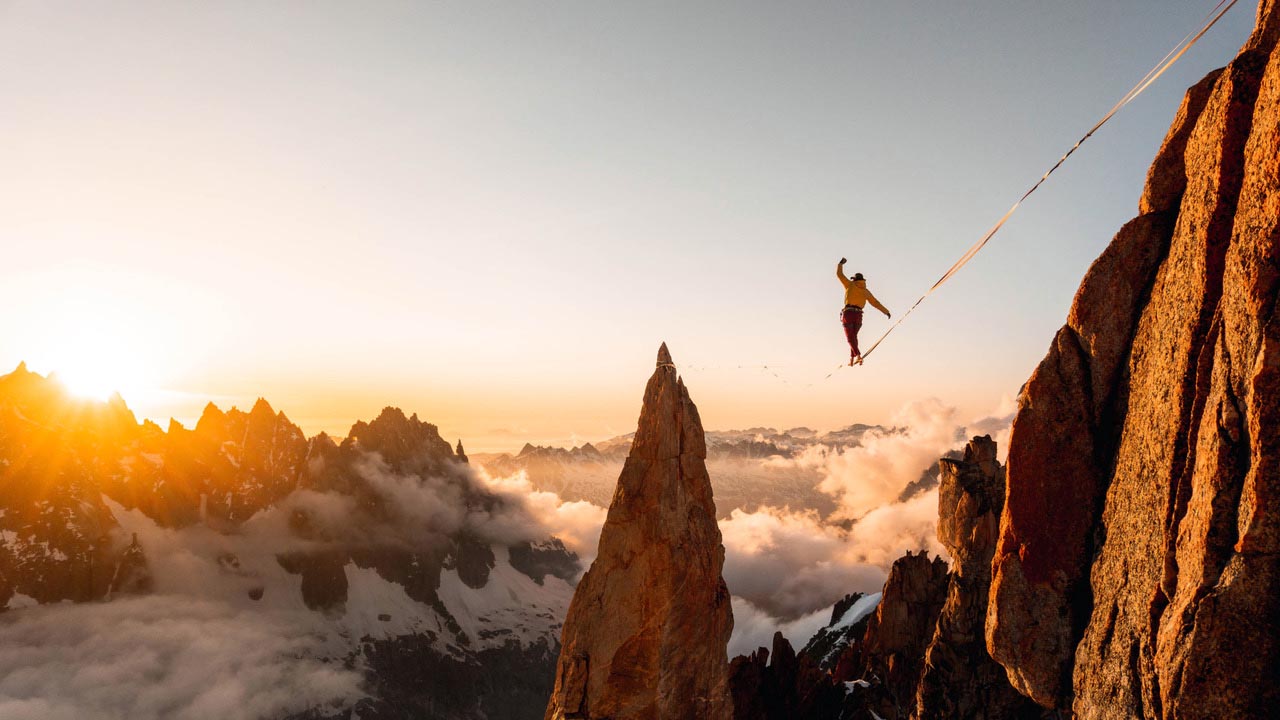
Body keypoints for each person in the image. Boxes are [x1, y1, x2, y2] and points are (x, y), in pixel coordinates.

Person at [836, 258, 890, 365]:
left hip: (849, 313)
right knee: (853, 337)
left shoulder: (850, 285)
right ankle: (852, 358)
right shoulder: (865, 291)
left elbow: (839, 274)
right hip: (858, 315)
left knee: (850, 337)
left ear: (854, 279)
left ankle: (858, 356)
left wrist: (840, 264)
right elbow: (875, 302)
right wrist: (886, 311)